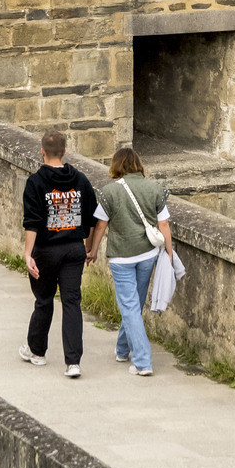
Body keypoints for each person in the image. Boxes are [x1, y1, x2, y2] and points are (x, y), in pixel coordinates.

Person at [18, 128, 98, 378]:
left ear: (42, 152)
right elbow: (93, 216)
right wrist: (90, 246)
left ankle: (37, 351)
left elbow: (32, 222)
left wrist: (28, 253)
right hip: (73, 248)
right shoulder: (81, 180)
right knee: (72, 302)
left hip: (45, 249)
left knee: (44, 300)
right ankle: (73, 363)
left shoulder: (36, 182)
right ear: (64, 151)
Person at [88, 146, 173, 377]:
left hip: (121, 256)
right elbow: (163, 224)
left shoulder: (109, 192)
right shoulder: (154, 188)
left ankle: (143, 361)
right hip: (148, 255)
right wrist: (169, 253)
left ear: (116, 166)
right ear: (137, 164)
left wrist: (93, 249)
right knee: (134, 305)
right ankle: (122, 349)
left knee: (129, 306)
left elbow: (101, 225)